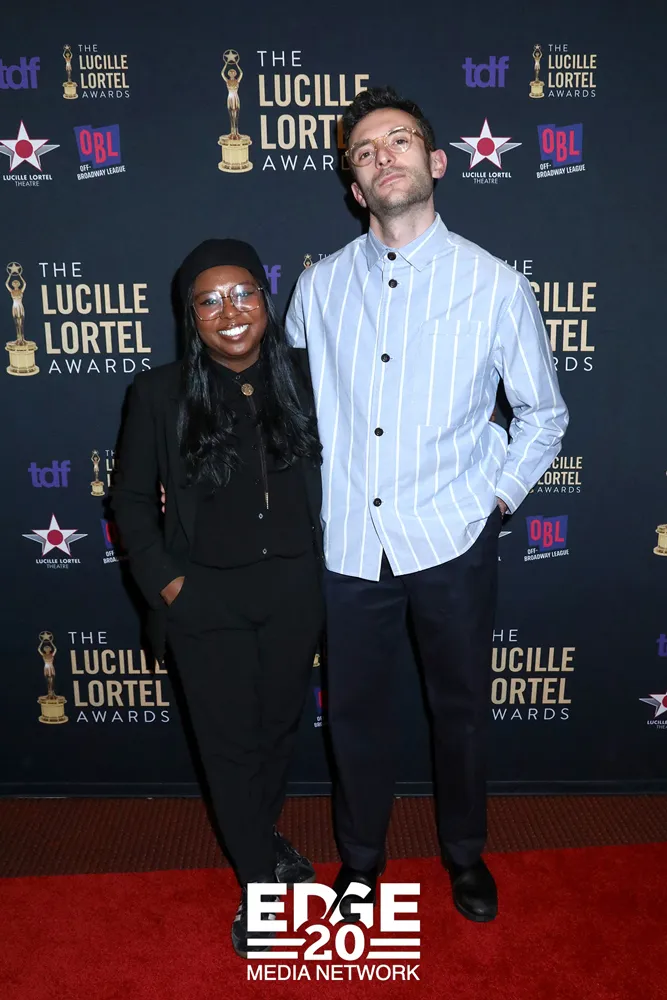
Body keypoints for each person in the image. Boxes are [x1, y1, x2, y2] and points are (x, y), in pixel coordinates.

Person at [286, 87, 569, 923]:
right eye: (364, 151)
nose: (383, 156)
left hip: (451, 538)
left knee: (461, 713)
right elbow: (287, 415)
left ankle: (464, 853)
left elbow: (543, 414)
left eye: (399, 140)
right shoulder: (318, 288)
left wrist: (494, 500)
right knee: (354, 719)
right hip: (346, 545)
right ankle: (360, 861)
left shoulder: (494, 286)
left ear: (436, 161)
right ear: (353, 186)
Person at [111, 239, 324, 957]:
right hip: (206, 602)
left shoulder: (311, 376)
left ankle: (258, 837)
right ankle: (259, 884)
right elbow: (129, 501)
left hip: (297, 593)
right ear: (190, 316)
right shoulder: (158, 393)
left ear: (265, 299)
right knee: (229, 749)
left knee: (277, 735)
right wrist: (170, 585)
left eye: (242, 293)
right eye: (209, 300)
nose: (229, 311)